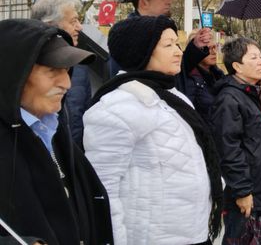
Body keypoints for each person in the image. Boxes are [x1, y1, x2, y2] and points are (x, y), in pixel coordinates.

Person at [83, 16, 223, 244]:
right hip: (155, 237)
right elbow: (103, 190)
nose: (178, 52)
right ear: (142, 52)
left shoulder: (171, 95)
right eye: (168, 45)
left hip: (191, 232)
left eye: (177, 44)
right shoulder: (117, 107)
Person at [0, 19, 113, 245]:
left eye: (66, 70)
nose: (66, 83)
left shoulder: (55, 130)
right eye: (52, 70)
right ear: (13, 73)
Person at [210, 37, 261, 243]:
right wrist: (242, 191)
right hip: (248, 193)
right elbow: (228, 149)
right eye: (253, 57)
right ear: (236, 66)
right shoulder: (229, 99)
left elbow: (259, 133)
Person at [31, 0, 91, 146]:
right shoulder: (26, 65)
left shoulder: (81, 66)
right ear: (50, 25)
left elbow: (85, 115)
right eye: (73, 21)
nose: (80, 27)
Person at [179, 29, 225, 128]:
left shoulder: (219, 75)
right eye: (206, 48)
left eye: (214, 47)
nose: (213, 52)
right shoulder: (187, 78)